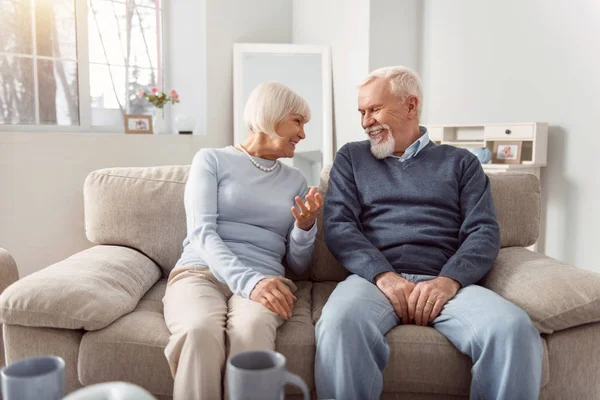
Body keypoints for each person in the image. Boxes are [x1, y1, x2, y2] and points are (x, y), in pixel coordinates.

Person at [316, 66, 543, 400]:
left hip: (445, 282)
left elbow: (483, 232)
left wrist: (448, 280)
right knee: (338, 326)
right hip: (373, 282)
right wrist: (383, 275)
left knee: (514, 329)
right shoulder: (352, 157)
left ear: (411, 106)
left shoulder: (461, 163)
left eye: (375, 109)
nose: (365, 121)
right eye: (362, 112)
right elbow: (339, 225)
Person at [163, 82, 323, 400]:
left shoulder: (296, 180)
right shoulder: (212, 160)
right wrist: (249, 282)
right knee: (199, 331)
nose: (303, 134)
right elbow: (201, 233)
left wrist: (305, 228)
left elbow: (298, 265)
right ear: (271, 116)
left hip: (266, 276)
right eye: (298, 121)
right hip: (200, 271)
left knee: (251, 333)